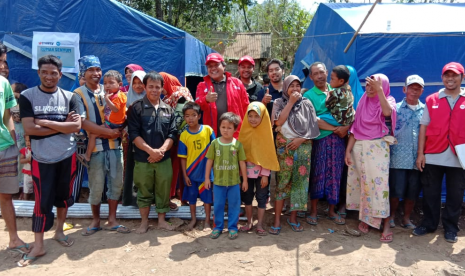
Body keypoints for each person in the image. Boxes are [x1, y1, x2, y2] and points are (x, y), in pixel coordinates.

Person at [19, 55, 81, 266]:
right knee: (41, 202)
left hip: (67, 156)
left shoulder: (70, 97)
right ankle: (38, 245)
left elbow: (76, 127)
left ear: (60, 75)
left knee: (63, 197)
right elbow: (29, 129)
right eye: (44, 72)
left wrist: (43, 122)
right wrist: (61, 125)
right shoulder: (28, 96)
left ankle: (59, 232)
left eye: (53, 73)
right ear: (39, 73)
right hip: (41, 159)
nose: (49, 76)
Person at [74, 55, 129, 236]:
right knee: (96, 186)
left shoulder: (111, 91)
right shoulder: (78, 94)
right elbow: (81, 122)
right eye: (90, 70)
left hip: (115, 146)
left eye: (98, 69)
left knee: (115, 183)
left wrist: (121, 128)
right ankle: (96, 220)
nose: (96, 73)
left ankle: (112, 219)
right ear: (83, 72)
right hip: (96, 147)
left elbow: (122, 113)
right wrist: (108, 132)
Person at [415, 62, 465, 243]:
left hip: (459, 157)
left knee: (455, 195)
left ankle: (451, 227)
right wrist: (421, 153)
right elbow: (423, 127)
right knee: (430, 193)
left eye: (454, 75)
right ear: (442, 77)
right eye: (447, 75)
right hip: (433, 154)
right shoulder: (432, 99)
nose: (450, 78)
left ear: (462, 77)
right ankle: (428, 224)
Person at [345, 73, 397, 243]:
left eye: (373, 85)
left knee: (379, 185)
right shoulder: (362, 102)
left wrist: (379, 90)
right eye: (367, 85)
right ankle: (366, 219)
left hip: (377, 147)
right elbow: (355, 127)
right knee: (363, 184)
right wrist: (348, 151)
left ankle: (384, 221)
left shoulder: (388, 99)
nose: (369, 88)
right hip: (359, 147)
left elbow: (387, 112)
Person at [127, 71, 177, 233]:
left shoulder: (168, 109)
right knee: (144, 190)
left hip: (163, 159)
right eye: (151, 87)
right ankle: (144, 222)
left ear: (162, 89)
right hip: (143, 159)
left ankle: (161, 221)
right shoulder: (136, 108)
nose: (154, 90)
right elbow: (133, 134)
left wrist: (161, 151)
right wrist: (151, 151)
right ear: (145, 87)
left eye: (157, 87)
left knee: (163, 190)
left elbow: (173, 133)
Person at [270, 75, 320, 235]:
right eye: (291, 86)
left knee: (300, 183)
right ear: (285, 88)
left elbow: (313, 127)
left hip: (303, 146)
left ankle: (293, 218)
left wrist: (300, 139)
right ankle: (277, 219)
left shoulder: (307, 103)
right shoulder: (279, 102)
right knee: (283, 182)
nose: (295, 89)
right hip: (284, 147)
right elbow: (277, 122)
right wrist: (290, 102)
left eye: (298, 86)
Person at [303, 62, 350, 226]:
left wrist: (345, 127)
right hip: (320, 140)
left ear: (327, 72)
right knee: (318, 173)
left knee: (335, 175)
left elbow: (350, 111)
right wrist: (336, 128)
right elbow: (313, 121)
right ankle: (314, 210)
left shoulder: (338, 90)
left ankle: (331, 210)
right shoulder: (309, 96)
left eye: (321, 72)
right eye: (315, 73)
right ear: (311, 77)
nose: (319, 76)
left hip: (338, 142)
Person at [0, 75, 31, 261]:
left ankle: (13, 239)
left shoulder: (3, 83)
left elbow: (7, 116)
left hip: (5, 147)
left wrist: (16, 144)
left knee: (6, 196)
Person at [388, 75, 425, 229]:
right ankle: (390, 217)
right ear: (404, 89)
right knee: (396, 190)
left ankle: (406, 219)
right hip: (398, 157)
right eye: (411, 88)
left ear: (422, 91)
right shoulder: (395, 109)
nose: (414, 91)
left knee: (413, 192)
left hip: (417, 158)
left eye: (417, 89)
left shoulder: (426, 110)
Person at [238, 102, 280, 235]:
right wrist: (243, 177)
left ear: (263, 117)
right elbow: (241, 157)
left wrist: (265, 175)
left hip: (262, 175)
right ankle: (249, 222)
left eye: (257, 116)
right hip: (246, 174)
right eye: (250, 115)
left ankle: (260, 224)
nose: (253, 119)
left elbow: (267, 155)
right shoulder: (244, 132)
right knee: (247, 197)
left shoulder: (266, 134)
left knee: (262, 198)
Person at [205, 112, 248, 240]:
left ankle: (233, 228)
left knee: (234, 205)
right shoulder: (214, 144)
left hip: (234, 183)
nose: (226, 130)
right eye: (223, 127)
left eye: (229, 128)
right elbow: (209, 161)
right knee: (218, 205)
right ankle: (217, 227)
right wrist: (207, 178)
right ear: (219, 127)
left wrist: (244, 180)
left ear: (235, 129)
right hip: (218, 183)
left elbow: (242, 163)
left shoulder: (238, 145)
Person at [177, 102, 215, 230]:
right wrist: (185, 175)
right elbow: (183, 158)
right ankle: (193, 219)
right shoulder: (184, 135)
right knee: (192, 197)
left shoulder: (208, 130)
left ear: (199, 116)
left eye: (193, 115)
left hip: (206, 173)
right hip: (191, 173)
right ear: (184, 118)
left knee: (207, 198)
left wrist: (212, 173)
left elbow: (215, 150)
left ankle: (207, 222)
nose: (190, 118)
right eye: (187, 116)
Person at [160, 71, 194, 209]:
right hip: (181, 136)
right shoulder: (169, 96)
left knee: (178, 166)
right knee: (180, 167)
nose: (160, 89)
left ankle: (181, 196)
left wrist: (174, 132)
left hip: (179, 137)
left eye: (162, 84)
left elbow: (181, 115)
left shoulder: (179, 93)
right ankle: (182, 196)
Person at [195, 53, 249, 138]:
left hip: (235, 134)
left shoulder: (237, 83)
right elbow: (196, 108)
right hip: (213, 134)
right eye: (210, 66)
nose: (213, 68)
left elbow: (246, 106)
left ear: (224, 66)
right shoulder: (202, 85)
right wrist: (206, 99)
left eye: (216, 65)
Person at [81, 70, 127, 163]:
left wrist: (106, 99)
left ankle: (87, 156)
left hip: (113, 124)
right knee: (100, 134)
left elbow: (115, 109)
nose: (107, 86)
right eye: (105, 83)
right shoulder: (114, 95)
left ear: (120, 84)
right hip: (112, 123)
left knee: (93, 135)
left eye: (111, 83)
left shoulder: (118, 96)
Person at [122, 70, 146, 207]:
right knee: (131, 169)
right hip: (130, 141)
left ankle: (147, 199)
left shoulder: (151, 99)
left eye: (140, 83)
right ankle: (131, 199)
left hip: (147, 140)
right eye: (134, 83)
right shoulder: (125, 99)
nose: (137, 86)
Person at [19, 136, 33, 200]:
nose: (28, 143)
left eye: (29, 141)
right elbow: (21, 160)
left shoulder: (36, 150)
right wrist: (27, 160)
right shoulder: (25, 150)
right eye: (26, 141)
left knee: (37, 190)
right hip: (27, 174)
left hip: (36, 174)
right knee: (26, 190)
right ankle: (25, 201)